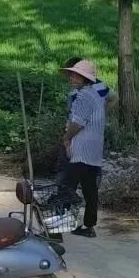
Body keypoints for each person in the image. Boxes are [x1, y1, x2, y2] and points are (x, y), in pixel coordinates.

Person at [60, 59, 106, 238]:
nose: (72, 78)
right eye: (71, 75)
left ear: (85, 78)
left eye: (76, 76)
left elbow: (77, 123)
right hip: (94, 151)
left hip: (82, 149)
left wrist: (66, 138)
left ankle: (58, 224)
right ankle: (89, 225)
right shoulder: (96, 95)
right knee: (90, 189)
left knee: (66, 186)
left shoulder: (83, 96)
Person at [56, 57, 117, 188]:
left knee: (67, 167)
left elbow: (112, 98)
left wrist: (98, 114)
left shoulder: (93, 86)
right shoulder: (88, 86)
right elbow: (112, 98)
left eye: (71, 74)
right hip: (84, 132)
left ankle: (64, 194)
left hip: (79, 132)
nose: (69, 77)